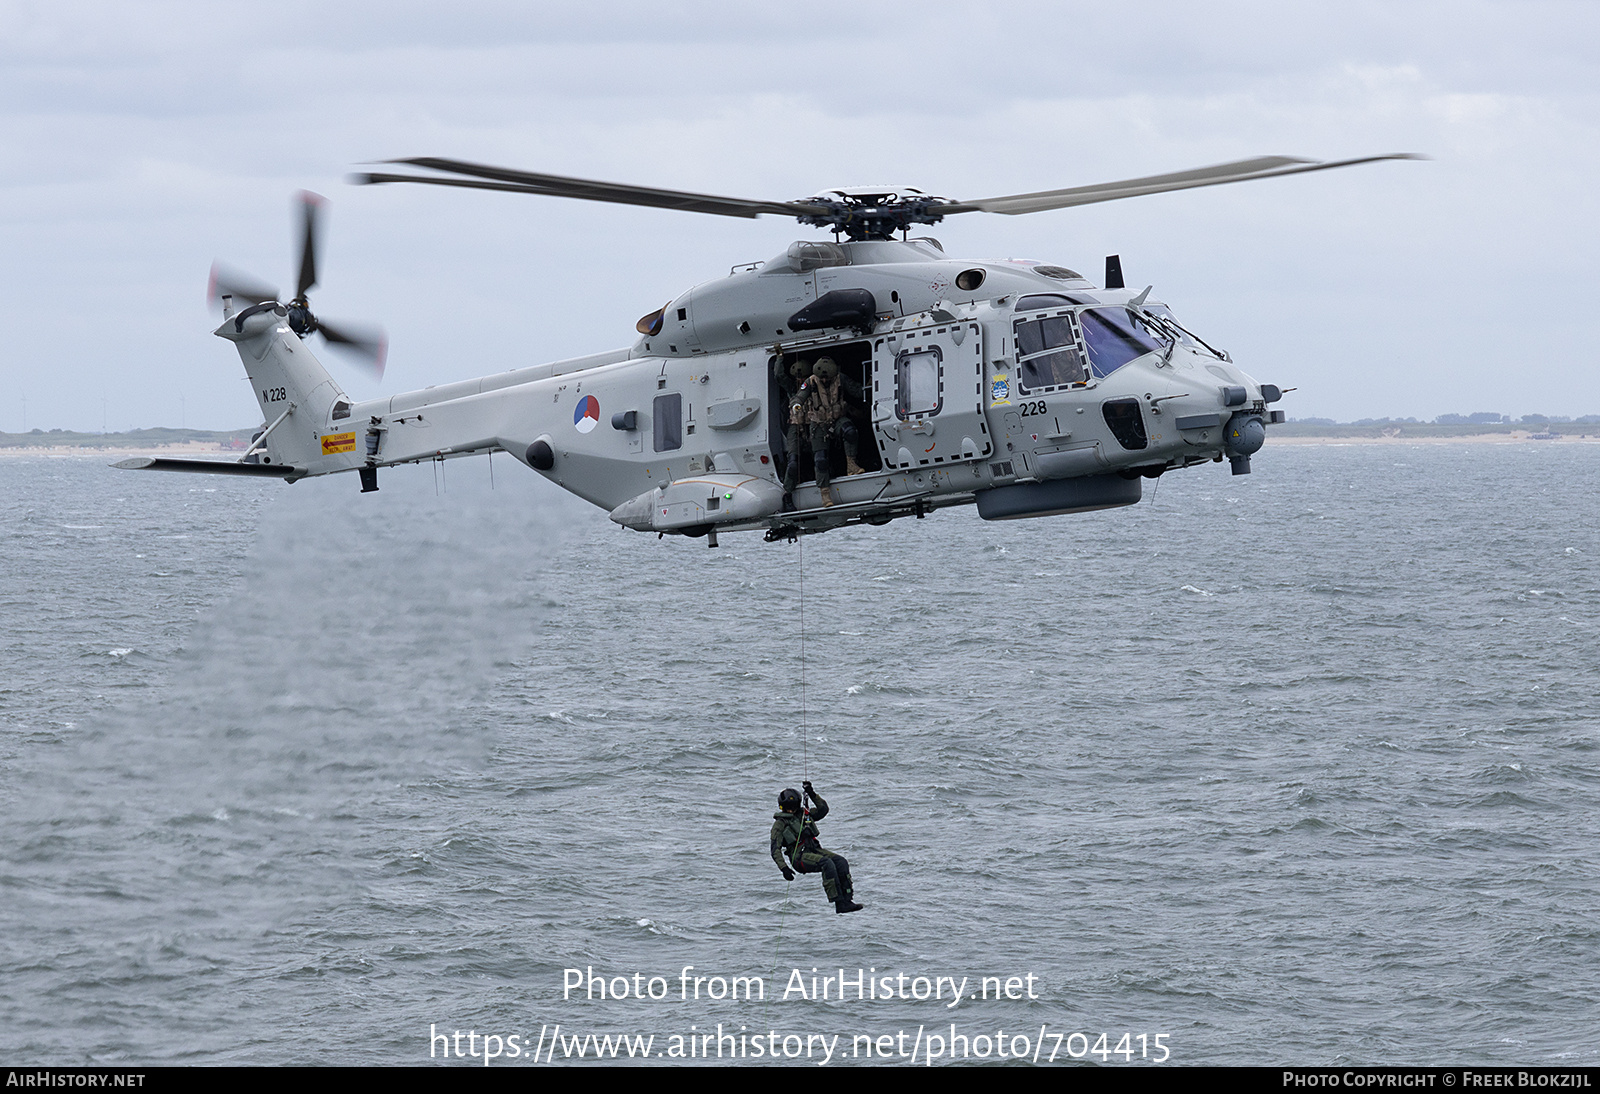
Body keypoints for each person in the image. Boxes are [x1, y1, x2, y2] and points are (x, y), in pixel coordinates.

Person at [769, 780, 863, 914]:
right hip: (799, 857)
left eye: (793, 807)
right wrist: (784, 868)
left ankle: (847, 900)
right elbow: (775, 849)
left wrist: (811, 793)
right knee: (827, 863)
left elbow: (823, 809)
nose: (791, 811)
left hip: (815, 850)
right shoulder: (780, 824)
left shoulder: (804, 814)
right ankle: (838, 902)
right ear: (782, 807)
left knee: (841, 862)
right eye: (788, 808)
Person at [797, 356, 864, 506]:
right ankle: (825, 494)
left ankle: (851, 465)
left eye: (828, 378)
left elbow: (857, 391)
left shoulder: (841, 379)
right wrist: (796, 404)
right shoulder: (811, 382)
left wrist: (871, 384)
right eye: (823, 379)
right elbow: (800, 396)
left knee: (850, 431)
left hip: (837, 419)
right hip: (818, 424)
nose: (825, 381)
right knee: (820, 460)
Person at [778, 357, 814, 502]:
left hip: (814, 424)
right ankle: (788, 493)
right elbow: (779, 376)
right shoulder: (792, 388)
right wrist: (779, 358)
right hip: (795, 425)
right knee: (792, 462)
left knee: (819, 458)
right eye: (798, 377)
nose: (800, 380)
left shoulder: (815, 386)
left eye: (803, 377)